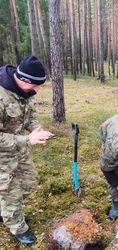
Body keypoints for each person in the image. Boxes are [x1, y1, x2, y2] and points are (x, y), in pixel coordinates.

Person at [0, 56, 54, 245]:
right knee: (10, 192)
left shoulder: (27, 93)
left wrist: (37, 130)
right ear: (24, 80)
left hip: (20, 148)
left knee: (29, 182)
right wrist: (27, 139)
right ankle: (16, 226)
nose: (38, 91)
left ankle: (6, 208)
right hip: (2, 155)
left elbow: (31, 116)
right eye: (36, 86)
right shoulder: (1, 96)